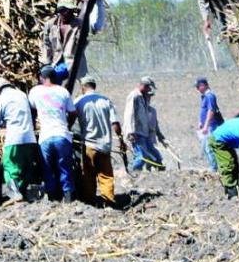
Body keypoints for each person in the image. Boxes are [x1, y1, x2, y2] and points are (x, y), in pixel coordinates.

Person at [0, 77, 38, 201]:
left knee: (9, 167)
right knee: (25, 169)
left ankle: (15, 194)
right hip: (31, 139)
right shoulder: (22, 95)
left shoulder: (0, 99)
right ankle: (23, 193)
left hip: (14, 139)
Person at [74, 75, 126, 206]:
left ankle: (90, 202)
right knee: (106, 176)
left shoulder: (79, 101)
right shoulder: (106, 101)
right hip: (104, 145)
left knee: (89, 175)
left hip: (89, 145)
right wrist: (121, 141)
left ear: (83, 87)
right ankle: (108, 201)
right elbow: (115, 124)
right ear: (94, 86)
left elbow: (71, 119)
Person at [28, 66, 77, 202]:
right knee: (65, 168)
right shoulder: (63, 92)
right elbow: (73, 113)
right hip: (62, 135)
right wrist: (68, 124)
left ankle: (52, 198)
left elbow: (31, 109)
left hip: (45, 137)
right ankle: (68, 198)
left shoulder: (35, 91)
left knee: (47, 169)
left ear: (41, 78)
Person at [39, 0, 106, 87]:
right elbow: (46, 45)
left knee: (86, 84)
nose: (69, 13)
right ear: (60, 11)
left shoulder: (79, 24)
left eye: (71, 10)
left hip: (76, 62)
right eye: (65, 11)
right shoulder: (50, 25)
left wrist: (89, 2)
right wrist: (45, 64)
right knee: (51, 84)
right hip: (57, 62)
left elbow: (93, 25)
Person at [123, 76, 161, 171]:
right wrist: (131, 132)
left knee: (148, 155)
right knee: (141, 157)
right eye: (148, 87)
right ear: (143, 85)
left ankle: (137, 174)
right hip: (136, 132)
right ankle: (133, 175)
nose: (149, 90)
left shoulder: (142, 97)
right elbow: (129, 114)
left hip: (143, 132)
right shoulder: (134, 96)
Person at [208, 112, 239, 199]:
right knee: (228, 165)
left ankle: (236, 190)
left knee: (235, 164)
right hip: (218, 140)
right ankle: (232, 194)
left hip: (227, 138)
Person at [195, 77, 223, 171]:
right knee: (206, 148)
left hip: (211, 126)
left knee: (209, 147)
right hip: (207, 125)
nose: (197, 89)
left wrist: (206, 125)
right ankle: (213, 166)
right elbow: (204, 110)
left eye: (198, 86)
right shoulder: (204, 97)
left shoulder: (210, 96)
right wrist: (201, 122)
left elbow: (211, 111)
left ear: (204, 85)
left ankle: (214, 168)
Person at [145, 89, 166, 169]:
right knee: (149, 158)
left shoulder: (153, 111)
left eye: (149, 97)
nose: (148, 99)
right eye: (147, 97)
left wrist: (160, 136)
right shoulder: (139, 111)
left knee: (155, 158)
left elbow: (156, 125)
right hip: (143, 140)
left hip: (152, 139)